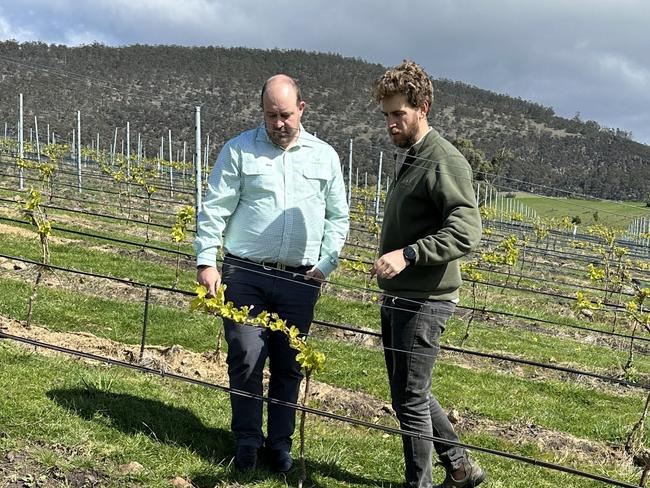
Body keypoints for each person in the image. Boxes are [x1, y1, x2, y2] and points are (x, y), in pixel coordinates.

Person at [194, 74, 349, 473]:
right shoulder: (239, 150)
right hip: (246, 273)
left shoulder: (325, 156)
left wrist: (327, 262)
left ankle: (279, 446)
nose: (279, 123)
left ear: (302, 109)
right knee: (245, 356)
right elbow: (215, 207)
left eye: (285, 115)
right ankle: (247, 442)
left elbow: (338, 217)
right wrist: (206, 260)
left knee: (288, 364)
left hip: (301, 280)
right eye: (270, 116)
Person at [370, 60, 485, 488]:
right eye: (386, 115)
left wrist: (410, 254)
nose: (391, 123)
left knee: (411, 397)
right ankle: (460, 468)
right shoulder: (413, 156)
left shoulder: (443, 160)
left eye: (399, 113)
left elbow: (467, 231)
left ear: (424, 107)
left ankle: (418, 483)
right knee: (408, 394)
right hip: (404, 293)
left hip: (426, 298)